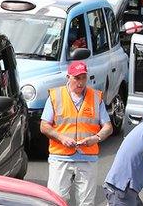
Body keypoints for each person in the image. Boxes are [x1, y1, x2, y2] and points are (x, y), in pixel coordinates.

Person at [40, 61, 113, 206]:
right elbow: (44, 126)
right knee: (56, 200)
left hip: (87, 157)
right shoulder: (55, 96)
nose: (80, 83)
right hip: (60, 156)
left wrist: (96, 138)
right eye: (76, 78)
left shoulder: (96, 97)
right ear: (68, 77)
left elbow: (108, 127)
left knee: (86, 203)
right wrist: (61, 138)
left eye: (83, 78)